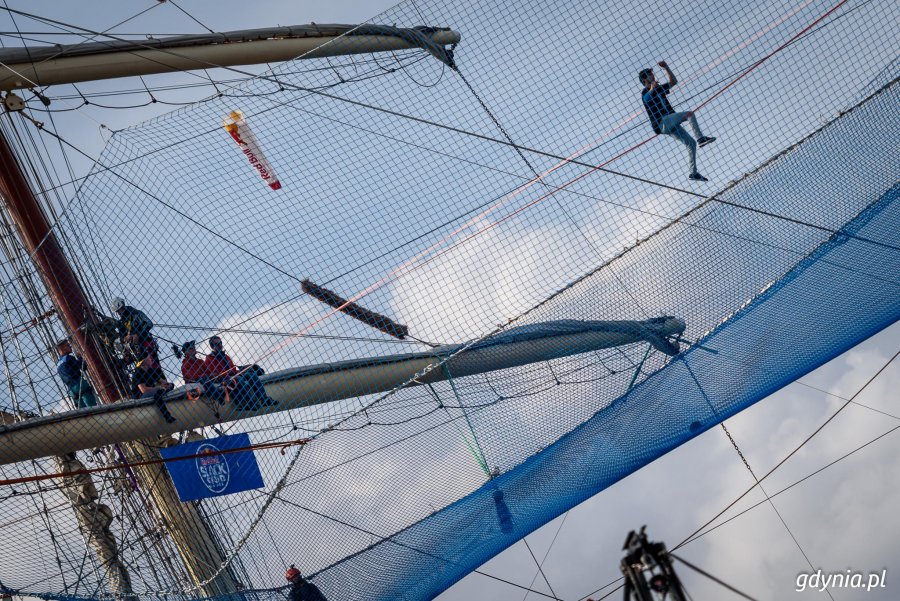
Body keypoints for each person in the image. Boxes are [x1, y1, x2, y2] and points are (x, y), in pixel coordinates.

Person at [639, 61, 716, 181]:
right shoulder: (645, 92)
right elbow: (647, 98)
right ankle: (701, 138)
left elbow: (673, 82)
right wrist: (652, 87)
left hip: (669, 123)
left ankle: (693, 173)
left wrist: (666, 68)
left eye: (651, 73)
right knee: (689, 114)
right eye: (649, 74)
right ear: (645, 80)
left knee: (690, 143)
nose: (653, 75)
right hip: (662, 123)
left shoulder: (658, 88)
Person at [56, 339, 98, 408]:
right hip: (79, 384)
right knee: (92, 406)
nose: (70, 347)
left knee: (82, 410)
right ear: (62, 349)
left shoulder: (58, 364)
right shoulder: (68, 358)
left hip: (71, 390)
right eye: (68, 345)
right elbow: (83, 367)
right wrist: (80, 358)